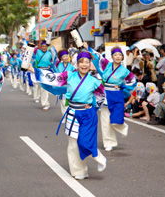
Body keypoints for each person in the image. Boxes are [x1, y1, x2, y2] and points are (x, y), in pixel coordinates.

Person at [29, 50, 107, 180]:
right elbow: (53, 78)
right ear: (77, 64)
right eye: (81, 62)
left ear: (90, 65)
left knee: (85, 140)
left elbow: (100, 97)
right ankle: (79, 171)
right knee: (73, 143)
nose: (84, 65)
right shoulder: (69, 75)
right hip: (72, 112)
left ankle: (97, 156)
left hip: (88, 113)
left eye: (87, 62)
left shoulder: (94, 81)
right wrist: (32, 69)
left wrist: (92, 108)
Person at [85, 43, 137, 152]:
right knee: (105, 121)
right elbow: (98, 57)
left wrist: (122, 86)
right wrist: (88, 48)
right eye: (115, 55)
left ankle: (122, 128)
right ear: (112, 57)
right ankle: (109, 142)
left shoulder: (125, 71)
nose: (117, 56)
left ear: (122, 57)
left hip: (117, 95)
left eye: (119, 55)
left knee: (115, 120)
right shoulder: (107, 65)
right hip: (105, 95)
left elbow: (132, 82)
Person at [33, 41, 54, 110]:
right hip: (40, 71)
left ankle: (45, 104)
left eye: (45, 46)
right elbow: (33, 50)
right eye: (43, 46)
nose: (44, 47)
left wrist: (50, 65)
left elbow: (54, 60)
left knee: (45, 88)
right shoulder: (38, 52)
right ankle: (45, 103)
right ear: (41, 47)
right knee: (41, 88)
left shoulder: (50, 53)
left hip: (47, 71)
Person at [56, 49, 76, 115]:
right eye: (64, 56)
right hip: (62, 86)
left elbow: (75, 74)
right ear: (61, 58)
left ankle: (68, 116)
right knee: (63, 102)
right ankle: (64, 116)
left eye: (67, 56)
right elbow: (57, 75)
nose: (66, 58)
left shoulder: (71, 66)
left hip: (69, 86)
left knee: (69, 102)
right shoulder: (59, 66)